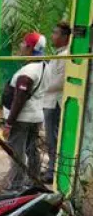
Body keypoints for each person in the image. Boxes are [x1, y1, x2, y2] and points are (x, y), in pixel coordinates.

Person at [1, 32, 48, 192]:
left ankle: (16, 185)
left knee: (17, 152)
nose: (20, 46)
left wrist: (8, 123)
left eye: (23, 43)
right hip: (36, 116)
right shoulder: (44, 66)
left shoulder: (28, 72)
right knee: (32, 150)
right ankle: (34, 181)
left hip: (21, 119)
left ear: (30, 48)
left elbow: (18, 100)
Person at [41, 22, 70, 184]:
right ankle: (51, 167)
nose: (53, 36)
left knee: (53, 138)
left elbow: (60, 82)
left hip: (55, 103)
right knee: (49, 138)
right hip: (49, 101)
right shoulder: (59, 54)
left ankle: (53, 172)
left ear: (65, 37)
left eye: (56, 33)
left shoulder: (65, 55)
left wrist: (41, 87)